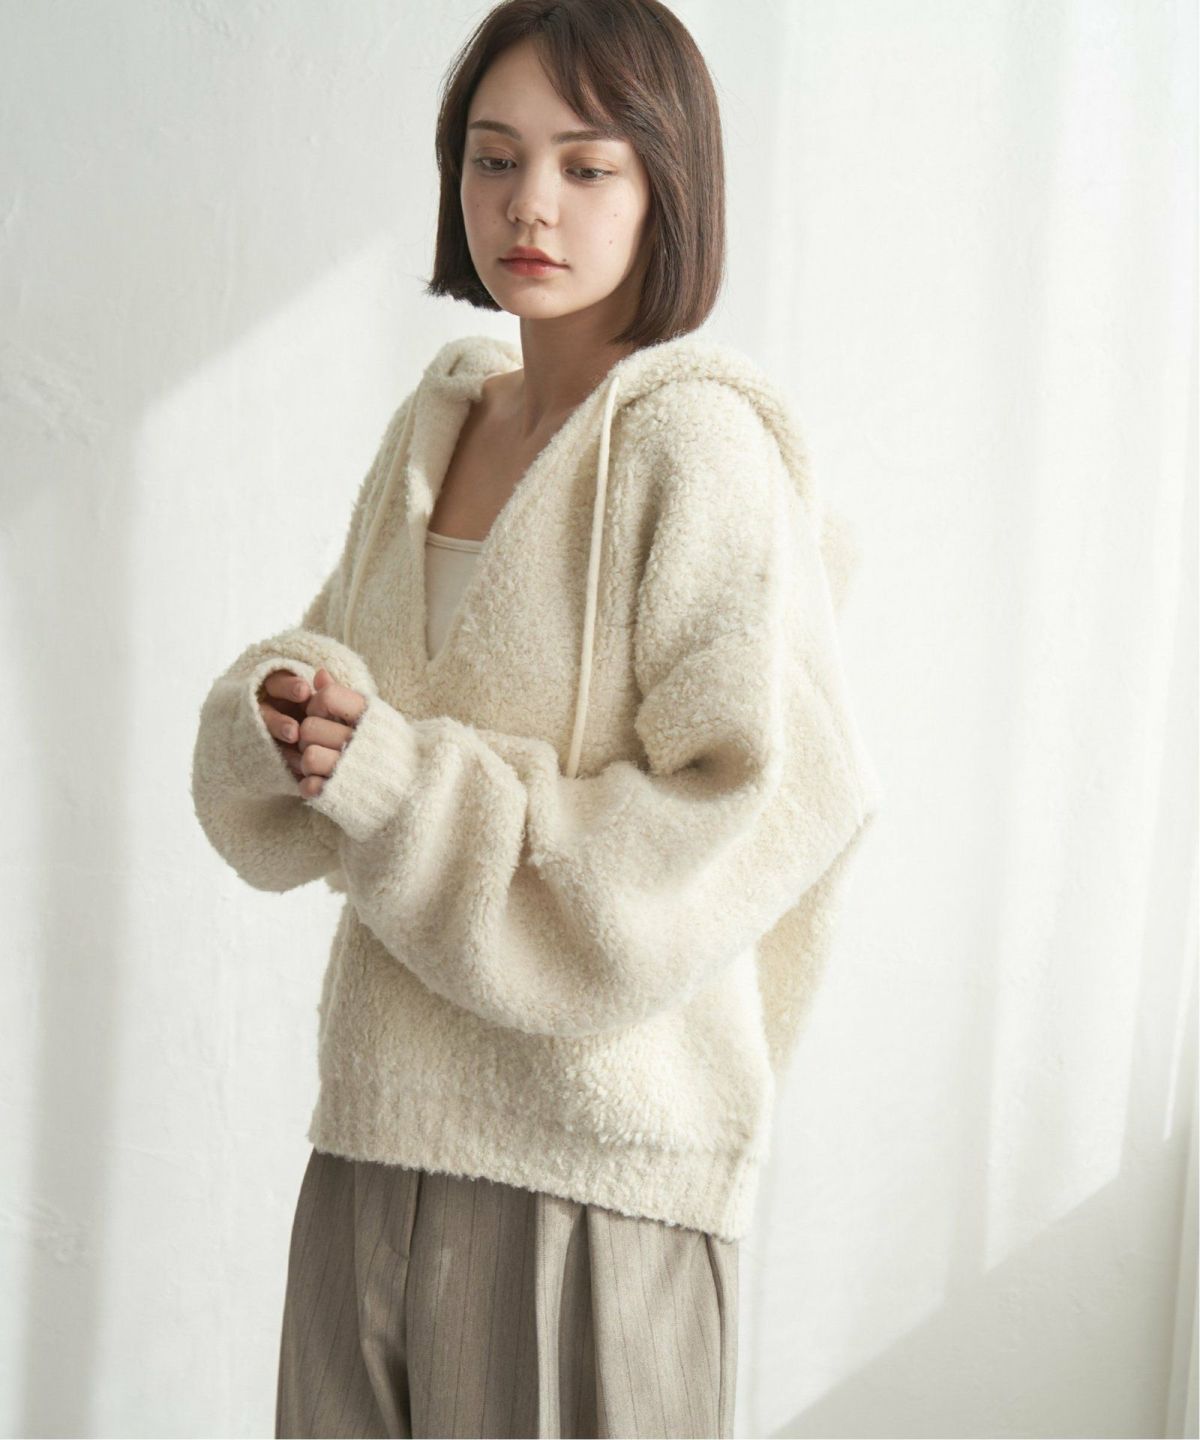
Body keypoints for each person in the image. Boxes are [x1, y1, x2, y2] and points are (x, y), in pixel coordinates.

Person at [190, 2, 882, 1436]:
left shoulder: (699, 443)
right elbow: (346, 681)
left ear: (667, 183)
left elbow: (740, 812)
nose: (529, 205)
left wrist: (398, 784)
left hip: (594, 1179)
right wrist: (288, 714)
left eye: (587, 165)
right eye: (494, 158)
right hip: (373, 1136)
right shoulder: (440, 423)